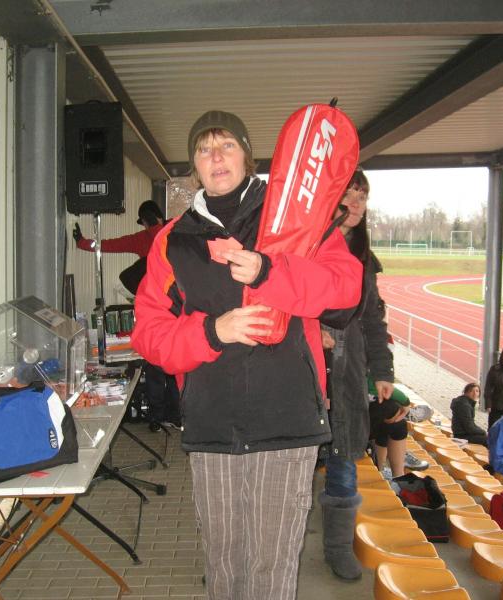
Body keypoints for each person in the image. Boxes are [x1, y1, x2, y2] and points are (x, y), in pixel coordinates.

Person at [131, 110, 363, 599]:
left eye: (227, 145)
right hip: (211, 425)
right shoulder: (173, 241)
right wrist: (212, 333)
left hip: (287, 421)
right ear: (194, 166)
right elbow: (149, 334)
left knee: (270, 568)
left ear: (247, 156)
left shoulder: (298, 218)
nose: (215, 157)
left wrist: (268, 272)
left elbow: (345, 292)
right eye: (204, 149)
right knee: (222, 566)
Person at [318, 170, 395, 581]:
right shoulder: (306, 245)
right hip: (304, 373)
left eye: (361, 197)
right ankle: (278, 540)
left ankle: (337, 547)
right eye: (346, 194)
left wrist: (382, 370)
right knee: (294, 462)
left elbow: (373, 320)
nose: (353, 204)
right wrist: (311, 330)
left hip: (347, 374)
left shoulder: (364, 259)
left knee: (344, 459)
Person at [73, 200, 180, 431]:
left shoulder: (149, 237)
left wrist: (82, 243)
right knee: (175, 366)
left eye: (144, 223)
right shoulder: (174, 230)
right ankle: (176, 415)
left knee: (154, 365)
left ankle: (157, 416)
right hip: (175, 309)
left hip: (156, 311)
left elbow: (105, 245)